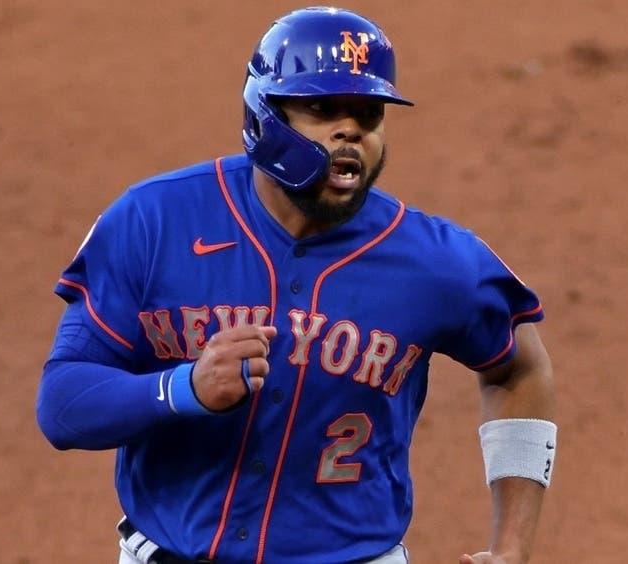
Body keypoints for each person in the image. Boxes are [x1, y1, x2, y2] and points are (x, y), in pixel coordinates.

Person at [35, 6, 557, 564]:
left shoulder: (436, 261)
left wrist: (511, 548)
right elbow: (63, 405)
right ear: (265, 114)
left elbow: (521, 368)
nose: (351, 129)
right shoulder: (153, 221)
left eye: (368, 114)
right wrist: (184, 389)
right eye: (321, 108)